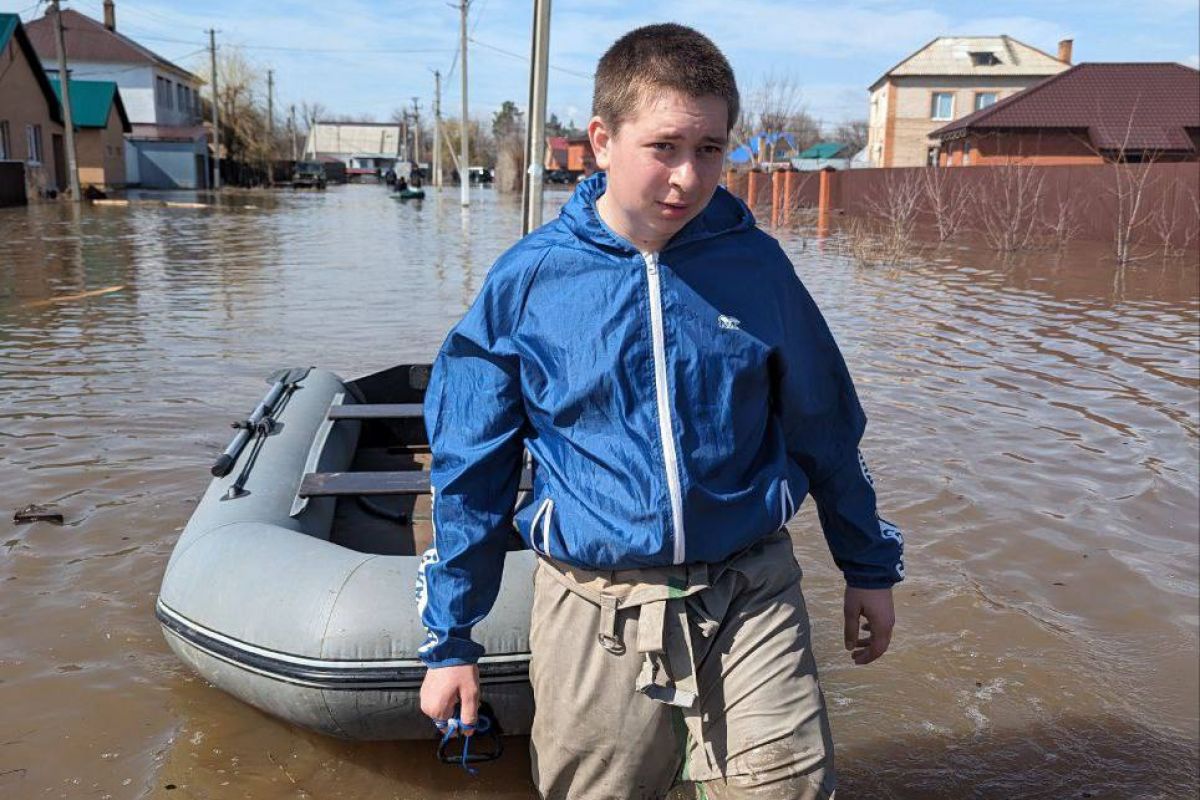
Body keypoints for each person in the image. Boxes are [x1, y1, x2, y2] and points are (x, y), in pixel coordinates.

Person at [418, 23, 904, 799]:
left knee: (791, 786)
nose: (688, 177)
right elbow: (471, 467)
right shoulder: (529, 281)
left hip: (750, 587)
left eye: (710, 149)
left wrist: (867, 567)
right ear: (603, 140)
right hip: (595, 601)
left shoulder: (756, 266)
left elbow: (826, 426)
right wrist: (451, 640)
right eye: (665, 147)